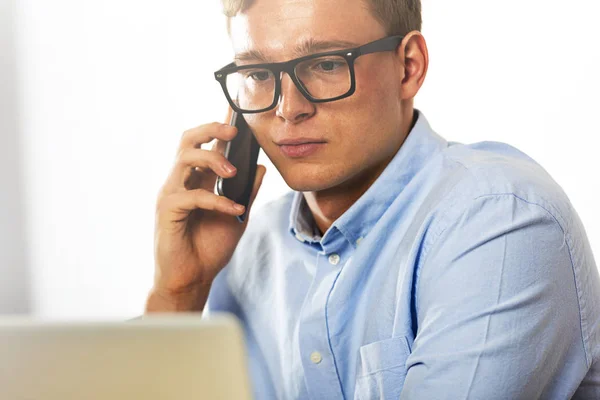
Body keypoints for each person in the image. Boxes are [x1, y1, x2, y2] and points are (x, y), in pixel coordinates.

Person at [144, 0, 600, 398]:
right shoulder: (247, 247)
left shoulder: (499, 220)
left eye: (325, 64)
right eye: (259, 74)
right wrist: (178, 293)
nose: (287, 108)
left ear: (409, 66)